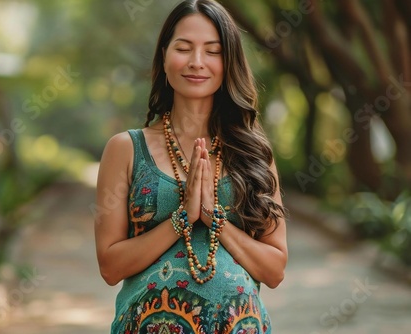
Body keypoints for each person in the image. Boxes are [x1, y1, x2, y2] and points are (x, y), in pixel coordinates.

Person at [95, 0, 287, 332]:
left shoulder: (254, 153)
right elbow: (110, 267)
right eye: (184, 48)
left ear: (229, 64)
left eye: (213, 51)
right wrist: (182, 217)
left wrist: (214, 219)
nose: (197, 62)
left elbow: (274, 271)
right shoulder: (125, 149)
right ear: (164, 58)